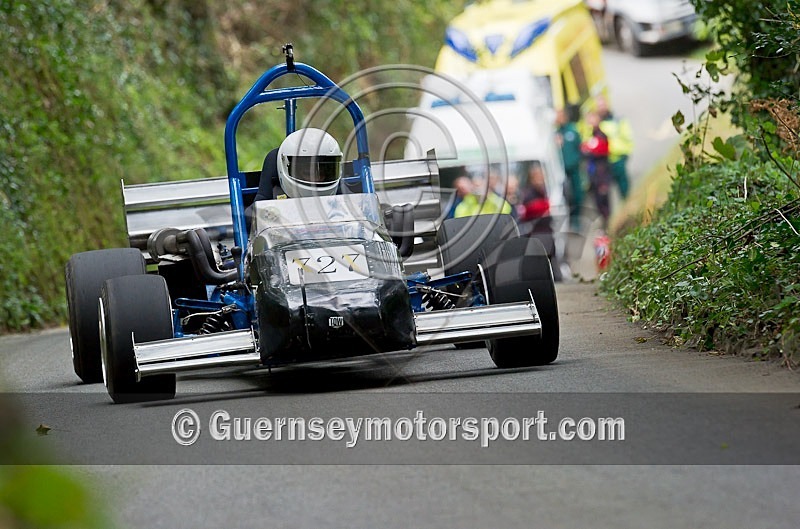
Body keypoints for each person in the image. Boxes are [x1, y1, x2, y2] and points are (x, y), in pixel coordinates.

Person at [595, 95, 633, 199]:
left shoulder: (617, 120)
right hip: (604, 161)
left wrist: (625, 152)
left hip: (618, 157)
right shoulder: (596, 125)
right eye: (599, 106)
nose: (601, 107)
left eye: (603, 105)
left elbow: (627, 136)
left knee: (624, 187)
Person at [555, 107, 585, 231]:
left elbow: (580, 147)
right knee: (566, 197)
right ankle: (570, 220)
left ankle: (578, 220)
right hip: (562, 172)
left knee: (578, 194)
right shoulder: (555, 133)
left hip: (574, 170)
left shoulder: (572, 130)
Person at [581, 111, 611, 230]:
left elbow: (601, 150)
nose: (590, 122)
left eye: (592, 119)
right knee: (597, 201)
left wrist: (589, 149)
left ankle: (608, 224)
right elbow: (583, 150)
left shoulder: (601, 135)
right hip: (594, 175)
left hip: (601, 174)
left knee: (604, 200)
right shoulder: (592, 135)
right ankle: (604, 223)